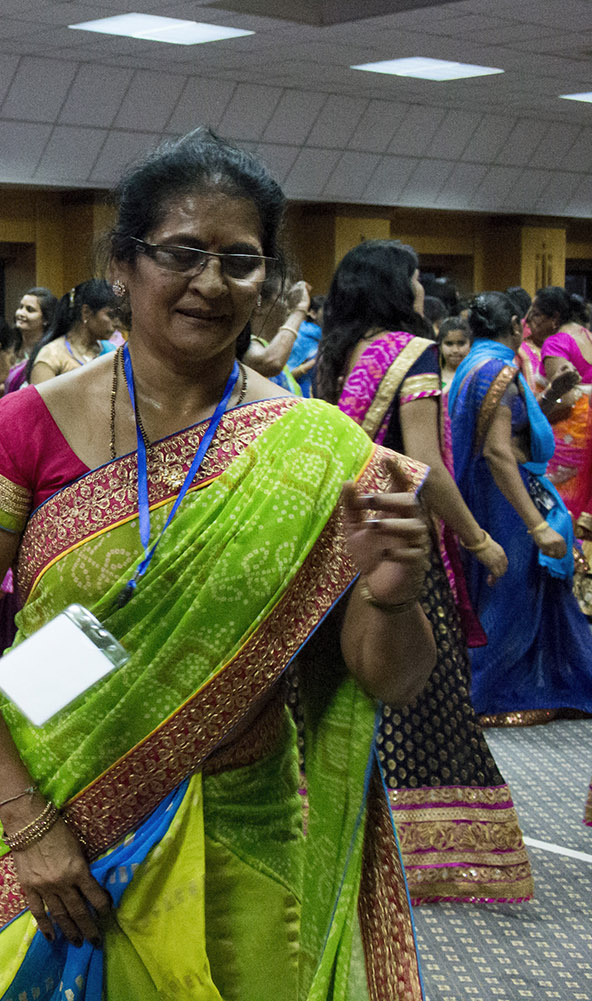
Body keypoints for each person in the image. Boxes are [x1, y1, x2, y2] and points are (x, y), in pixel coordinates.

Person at [0, 129, 434, 1001]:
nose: (211, 283)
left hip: (239, 827)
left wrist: (392, 598)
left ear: (266, 280)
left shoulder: (318, 450)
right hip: (48, 809)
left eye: (240, 261)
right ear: (122, 264)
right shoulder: (24, 427)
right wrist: (27, 822)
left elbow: (392, 679)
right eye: (182, 253)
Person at [313, 241, 530, 905]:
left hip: (344, 541)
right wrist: (478, 538)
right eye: (414, 278)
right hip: (401, 546)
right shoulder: (413, 352)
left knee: (352, 694)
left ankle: (353, 842)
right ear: (394, 286)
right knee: (425, 697)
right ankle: (430, 855)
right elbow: (423, 463)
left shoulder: (339, 353)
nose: (419, 289)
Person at [449, 292, 592, 726]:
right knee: (509, 593)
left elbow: (514, 428)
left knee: (510, 591)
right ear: (514, 325)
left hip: (486, 491)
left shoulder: (475, 364)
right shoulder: (499, 370)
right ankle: (484, 693)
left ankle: (510, 684)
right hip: (503, 496)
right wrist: (536, 525)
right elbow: (498, 451)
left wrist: (551, 397)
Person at [531, 287, 592, 530]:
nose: (529, 321)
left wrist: (532, 412)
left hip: (569, 437)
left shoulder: (556, 342)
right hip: (586, 435)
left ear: (554, 317)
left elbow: (564, 398)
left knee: (561, 511)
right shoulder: (586, 335)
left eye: (536, 314)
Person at [23, 280, 119, 384]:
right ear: (86, 312)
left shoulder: (112, 352)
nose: (117, 323)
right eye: (111, 315)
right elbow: (39, 395)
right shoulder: (51, 356)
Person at [4, 287, 59, 391]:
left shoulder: (49, 354)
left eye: (30, 310)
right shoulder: (10, 347)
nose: (20, 313)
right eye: (21, 307)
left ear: (46, 319)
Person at [437, 316, 471, 390]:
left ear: (470, 345)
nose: (455, 350)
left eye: (461, 343)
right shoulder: (433, 378)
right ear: (440, 346)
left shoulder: (474, 377)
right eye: (449, 344)